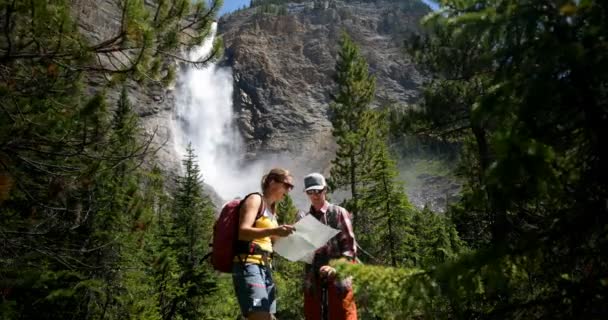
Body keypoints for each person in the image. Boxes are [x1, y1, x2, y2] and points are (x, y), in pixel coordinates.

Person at [233, 168, 296, 320]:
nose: (288, 191)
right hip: (249, 264)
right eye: (287, 185)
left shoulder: (273, 211)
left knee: (269, 316)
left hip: (266, 267)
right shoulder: (255, 200)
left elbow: (272, 240)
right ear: (272, 182)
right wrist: (274, 230)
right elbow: (243, 232)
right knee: (260, 315)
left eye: (291, 188)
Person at [298, 173, 358, 320]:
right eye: (310, 191)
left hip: (339, 280)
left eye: (318, 190)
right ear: (306, 193)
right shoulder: (304, 219)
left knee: (343, 315)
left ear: (325, 190)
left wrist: (335, 268)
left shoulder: (338, 213)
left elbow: (350, 250)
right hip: (313, 281)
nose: (315, 195)